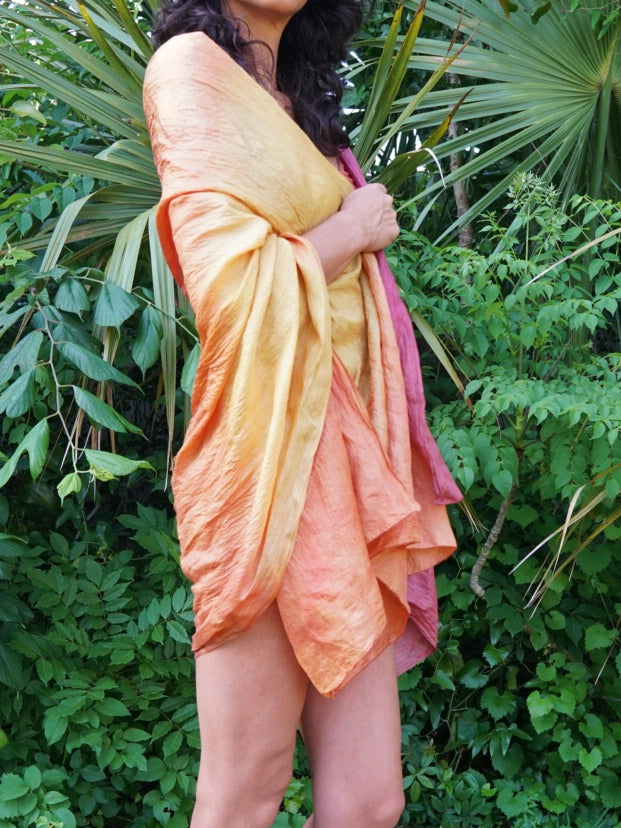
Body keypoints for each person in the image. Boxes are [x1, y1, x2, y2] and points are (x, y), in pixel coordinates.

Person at [143, 1, 461, 825]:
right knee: (245, 792)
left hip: (348, 460)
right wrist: (352, 228)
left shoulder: (299, 102)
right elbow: (230, 295)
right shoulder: (190, 71)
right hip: (266, 459)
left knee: (367, 803)